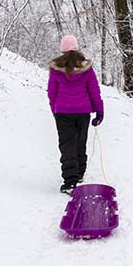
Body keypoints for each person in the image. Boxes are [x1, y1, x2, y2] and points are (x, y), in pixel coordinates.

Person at [47, 34, 104, 194]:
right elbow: (94, 90)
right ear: (77, 49)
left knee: (67, 145)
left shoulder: (56, 68)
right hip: (83, 112)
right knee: (80, 142)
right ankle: (79, 174)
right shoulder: (86, 68)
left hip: (63, 112)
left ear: (62, 50)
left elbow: (52, 92)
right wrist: (99, 111)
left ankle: (70, 181)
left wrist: (54, 109)